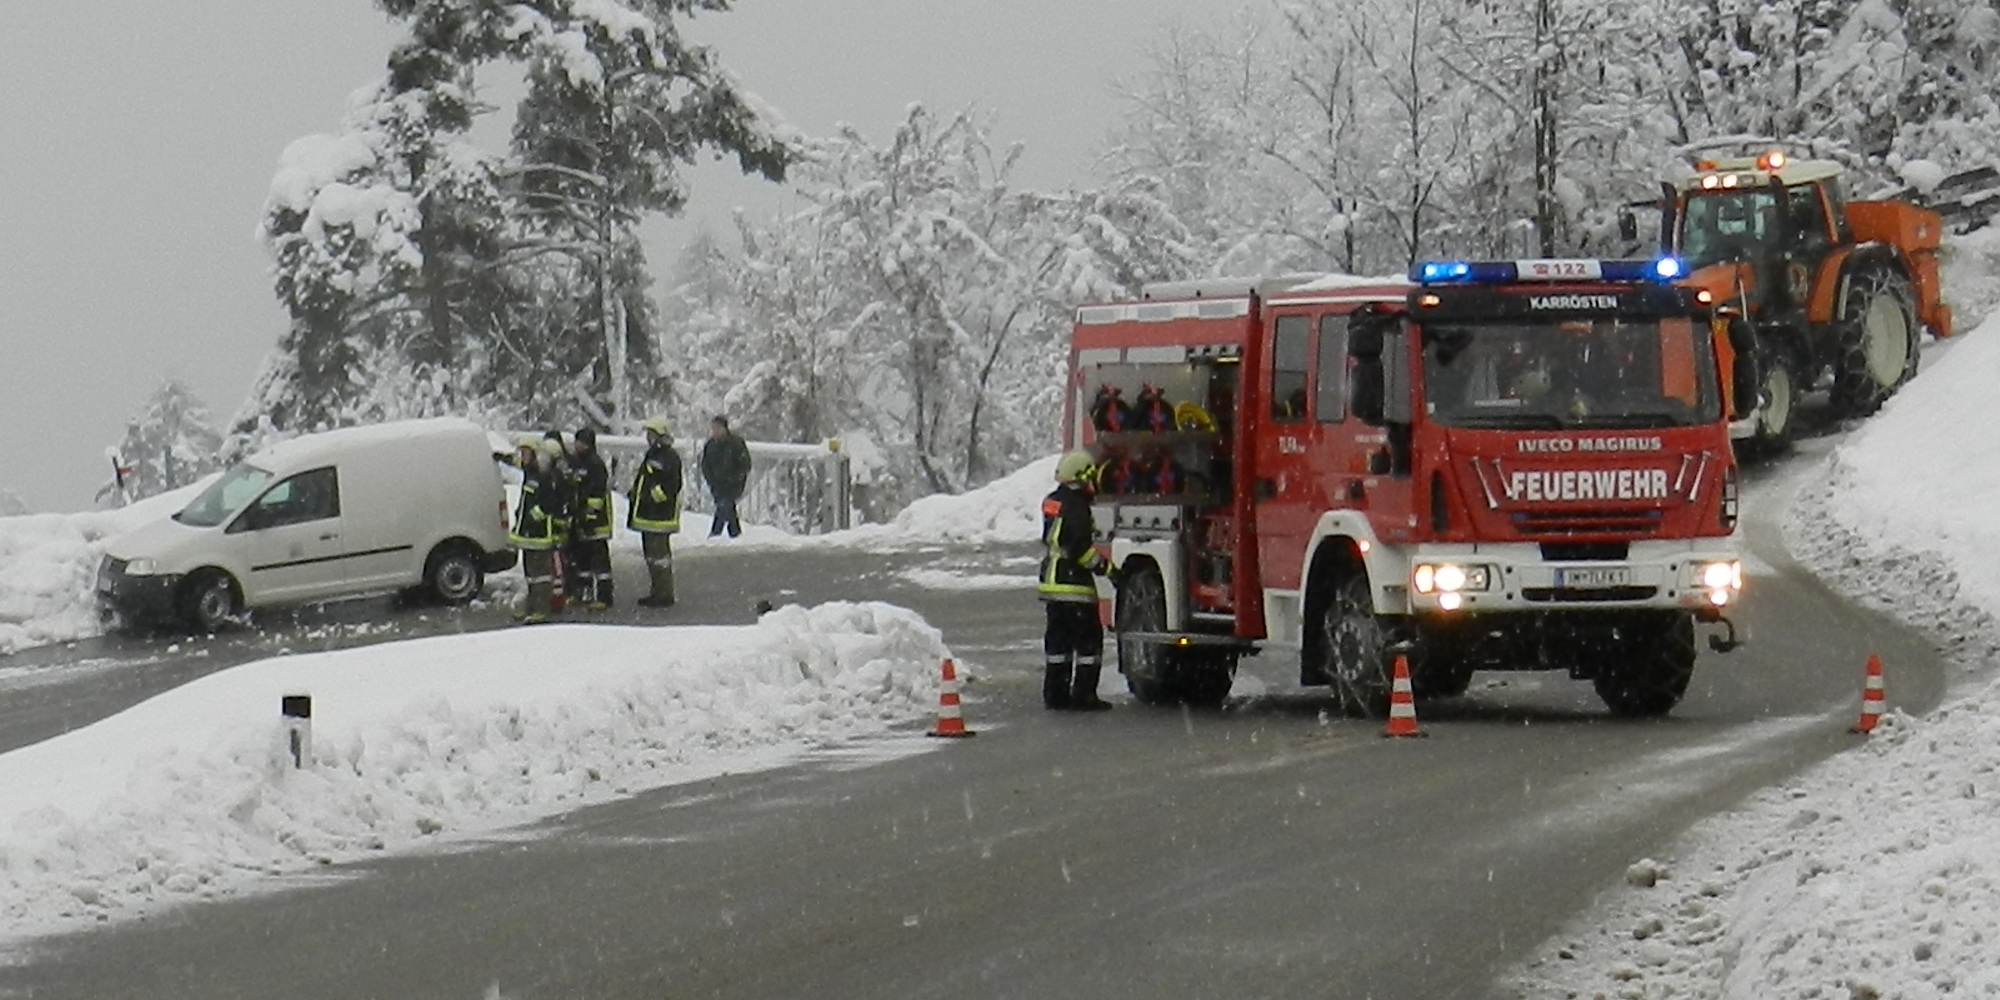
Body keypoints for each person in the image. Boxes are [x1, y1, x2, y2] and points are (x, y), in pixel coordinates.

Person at [1038, 450, 1118, 711]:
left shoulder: (1053, 501)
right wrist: (1108, 570)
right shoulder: (1077, 508)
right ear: (1081, 478)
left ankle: (1055, 695)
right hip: (1074, 585)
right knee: (1088, 642)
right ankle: (1084, 696)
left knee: (1058, 642)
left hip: (1052, 582)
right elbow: (1080, 548)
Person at [507, 435, 568, 623]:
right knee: (531, 575)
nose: (523, 456)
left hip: (540, 534)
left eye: (526, 452)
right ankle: (531, 608)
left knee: (540, 575)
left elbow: (553, 502)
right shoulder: (530, 474)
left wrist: (537, 514)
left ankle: (541, 610)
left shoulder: (543, 476)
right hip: (528, 534)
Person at [628, 416, 684, 608]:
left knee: (660, 556)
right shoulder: (653, 455)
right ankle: (657, 591)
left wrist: (653, 497)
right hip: (649, 516)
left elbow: (672, 485)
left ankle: (665, 593)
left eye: (651, 434)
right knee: (652, 556)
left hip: (660, 516)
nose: (648, 437)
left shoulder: (669, 457)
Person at [569, 426, 615, 610]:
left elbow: (597, 495)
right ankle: (584, 592)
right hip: (581, 520)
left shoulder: (595, 465)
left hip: (596, 522)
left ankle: (604, 596)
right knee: (582, 560)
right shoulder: (577, 463)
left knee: (600, 561)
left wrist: (590, 516)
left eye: (580, 442)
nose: (576, 445)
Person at [701, 415, 751, 538]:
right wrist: (711, 480)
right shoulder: (710, 445)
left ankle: (715, 532)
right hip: (717, 484)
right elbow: (705, 465)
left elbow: (745, 464)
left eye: (718, 428)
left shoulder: (736, 443)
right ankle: (735, 532)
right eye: (713, 428)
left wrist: (736, 477)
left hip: (733, 484)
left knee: (724, 505)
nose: (715, 431)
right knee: (727, 507)